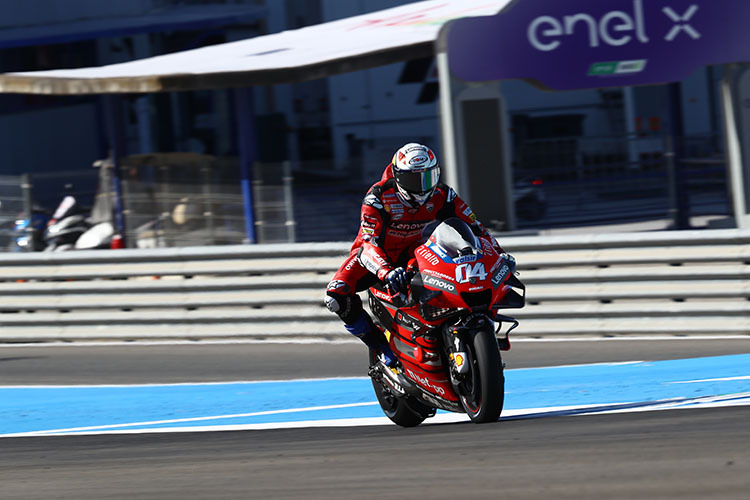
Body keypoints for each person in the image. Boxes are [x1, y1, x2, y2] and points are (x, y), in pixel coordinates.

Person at [324, 143, 504, 367]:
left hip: (413, 253)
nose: (422, 187)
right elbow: (369, 242)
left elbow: (476, 227)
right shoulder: (378, 196)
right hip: (373, 257)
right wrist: (386, 271)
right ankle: (379, 346)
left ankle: (448, 333)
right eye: (413, 180)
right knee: (335, 297)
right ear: (398, 177)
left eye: (428, 178)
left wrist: (498, 253)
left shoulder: (443, 194)